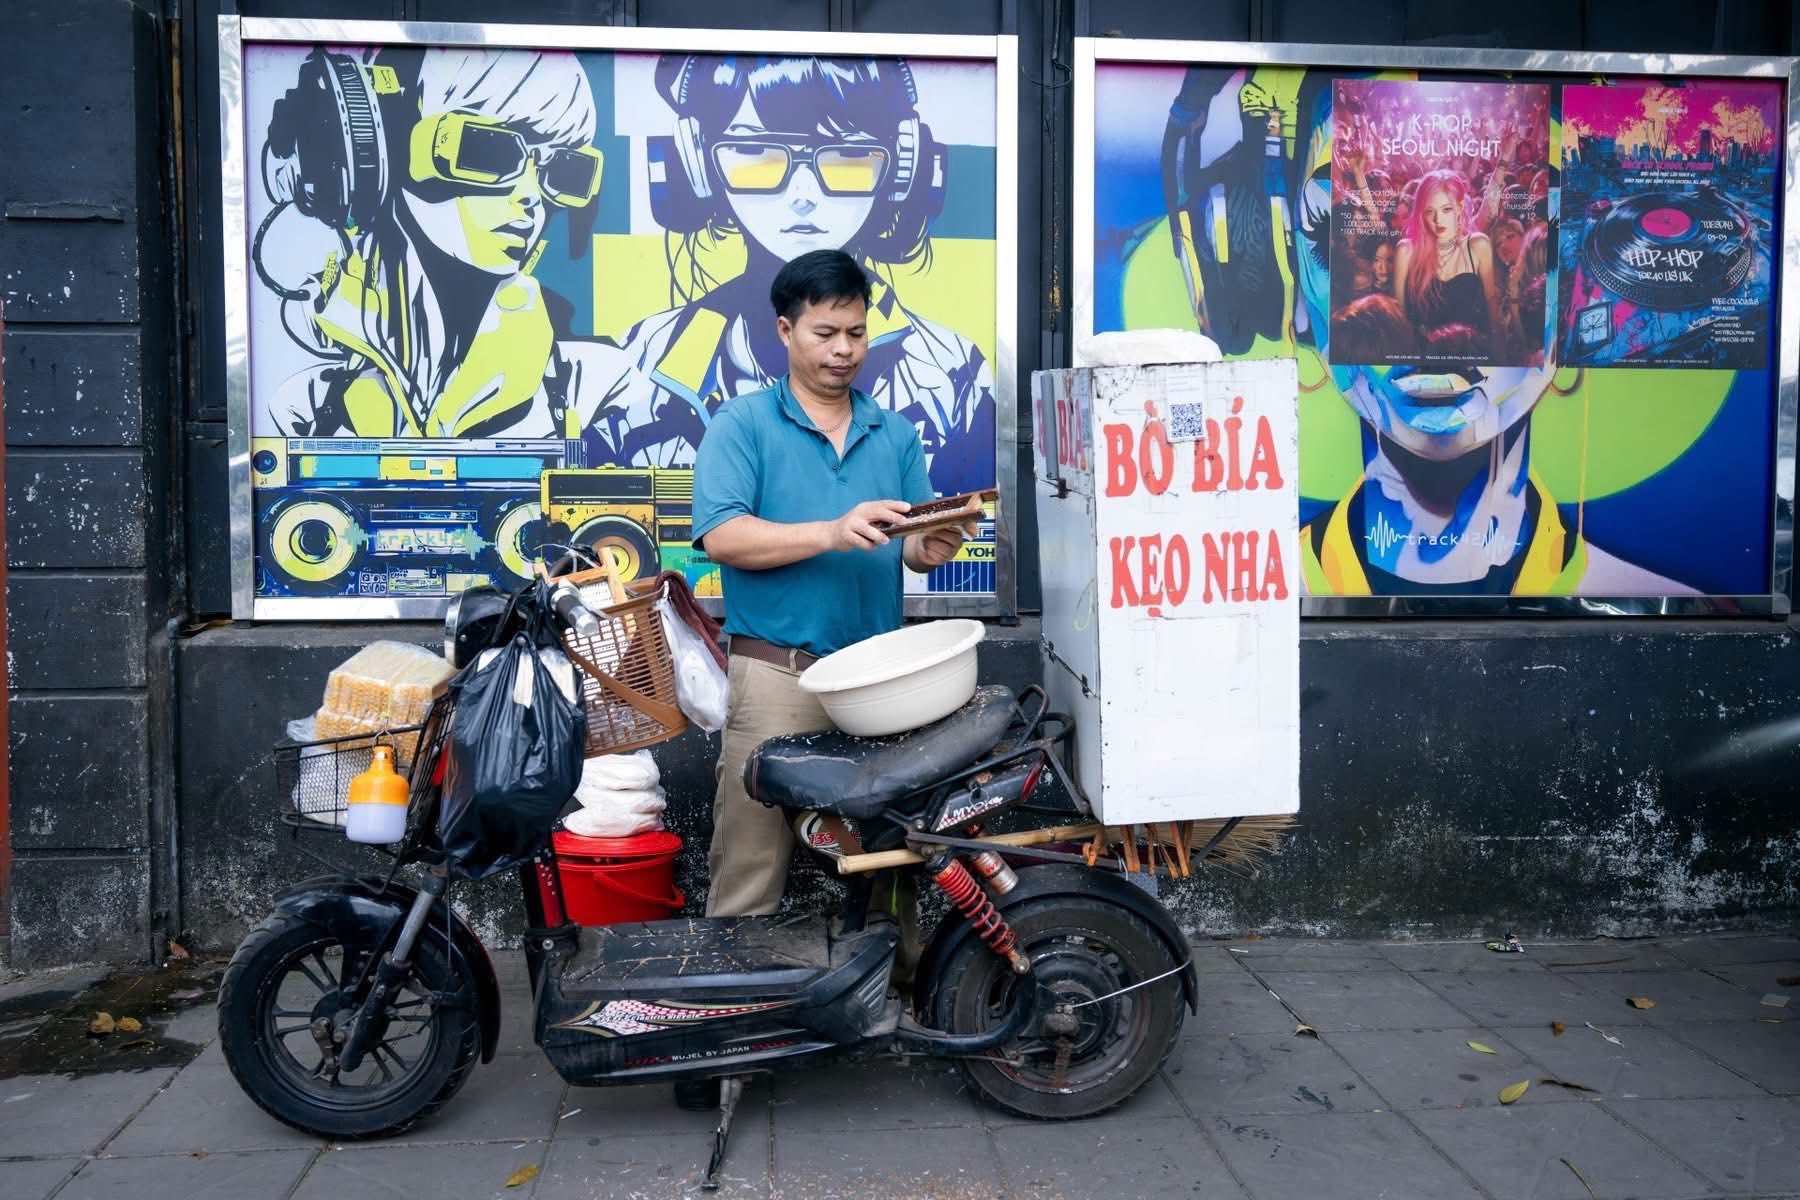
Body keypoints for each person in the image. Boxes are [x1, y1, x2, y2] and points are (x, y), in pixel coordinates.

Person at [680, 250, 971, 1112]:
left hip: (879, 680)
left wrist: (934, 544)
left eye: (856, 332)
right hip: (777, 671)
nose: (844, 349)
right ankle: (729, 1034)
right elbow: (723, 537)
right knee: (750, 857)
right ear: (785, 330)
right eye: (825, 332)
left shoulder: (894, 432)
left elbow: (911, 548)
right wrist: (831, 530)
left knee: (893, 851)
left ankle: (898, 1003)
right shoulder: (743, 424)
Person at [592, 54, 996, 497]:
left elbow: (964, 532)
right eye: (756, 155)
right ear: (696, 166)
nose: (803, 195)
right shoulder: (635, 366)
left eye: (848, 157)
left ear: (903, 170)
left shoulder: (953, 373)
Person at [257, 47, 624, 441]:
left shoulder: (594, 388)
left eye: (565, 170)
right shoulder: (305, 404)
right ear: (387, 150)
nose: (531, 196)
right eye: (490, 151)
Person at [1393, 169, 1502, 361]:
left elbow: (1493, 317)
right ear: (1421, 214)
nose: (1438, 220)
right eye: (1430, 211)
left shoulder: (1478, 246)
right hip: (1422, 357)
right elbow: (1398, 321)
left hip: (1470, 356)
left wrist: (1499, 359)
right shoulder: (1407, 251)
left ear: (1459, 208)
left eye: (1446, 209)